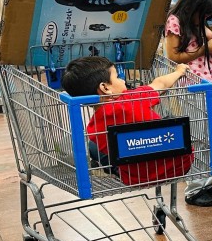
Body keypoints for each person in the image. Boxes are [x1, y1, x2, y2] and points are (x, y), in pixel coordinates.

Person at [61, 56, 193, 186]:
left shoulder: (93, 129)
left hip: (136, 178)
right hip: (180, 166)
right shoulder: (132, 98)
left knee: (94, 147)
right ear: (105, 88)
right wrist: (178, 71)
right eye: (117, 77)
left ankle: (105, 168)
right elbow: (160, 84)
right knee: (169, 122)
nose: (122, 80)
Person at [164, 0, 212, 207]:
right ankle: (194, 190)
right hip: (192, 87)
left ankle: (207, 183)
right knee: (198, 138)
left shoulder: (196, 20)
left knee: (210, 136)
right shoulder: (175, 21)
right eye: (203, 14)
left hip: (210, 83)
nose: (204, 18)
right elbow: (174, 56)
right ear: (192, 8)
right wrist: (206, 49)